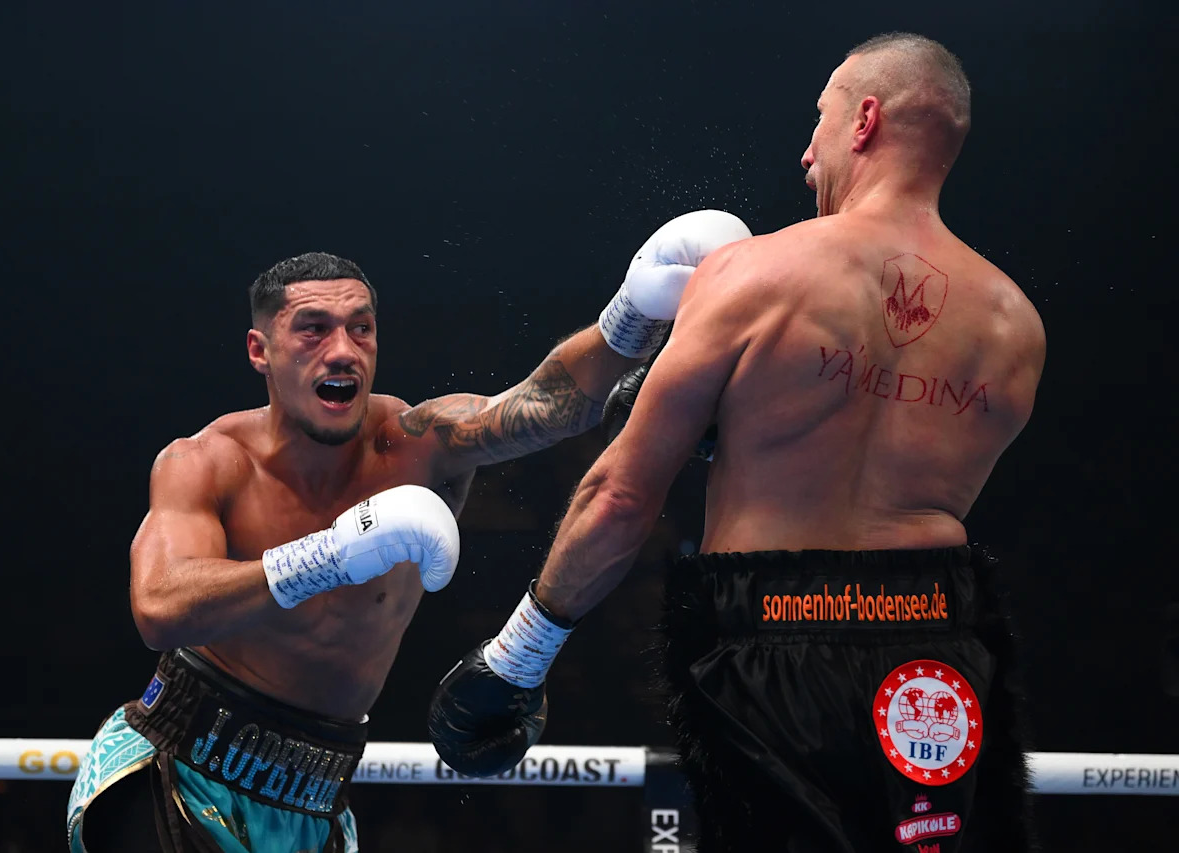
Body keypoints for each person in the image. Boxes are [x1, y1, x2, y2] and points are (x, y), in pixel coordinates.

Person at [429, 32, 1046, 852]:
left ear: (864, 120)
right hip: (939, 646)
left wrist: (518, 657)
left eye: (819, 119)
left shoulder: (754, 275)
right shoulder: (1014, 327)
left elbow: (620, 496)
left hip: (772, 634)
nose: (806, 153)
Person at [66, 208, 753, 852]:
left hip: (315, 801)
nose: (343, 350)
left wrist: (629, 316)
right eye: (312, 329)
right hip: (180, 772)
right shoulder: (207, 462)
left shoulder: (416, 443)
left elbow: (544, 407)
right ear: (260, 350)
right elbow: (160, 607)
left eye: (361, 328)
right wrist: (328, 555)